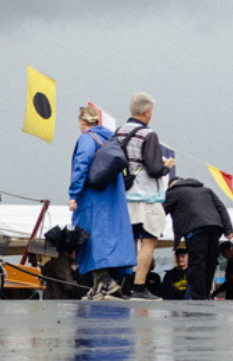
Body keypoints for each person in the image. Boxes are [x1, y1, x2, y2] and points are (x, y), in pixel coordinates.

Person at [70, 103, 136, 298]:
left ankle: (105, 282)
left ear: (82, 122)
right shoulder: (111, 140)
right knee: (110, 240)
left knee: (90, 239)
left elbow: (81, 165)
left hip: (92, 200)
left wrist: (73, 194)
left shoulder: (86, 138)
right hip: (114, 201)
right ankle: (101, 286)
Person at [116, 92, 175, 298]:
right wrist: (166, 167)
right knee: (149, 240)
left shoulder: (118, 133)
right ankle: (139, 287)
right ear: (146, 111)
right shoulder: (149, 134)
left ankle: (124, 285)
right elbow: (153, 168)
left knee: (130, 241)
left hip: (124, 195)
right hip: (146, 197)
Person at [162, 175, 233, 300]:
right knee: (210, 262)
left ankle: (198, 297)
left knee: (197, 263)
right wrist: (229, 229)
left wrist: (149, 228)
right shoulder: (206, 190)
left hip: (196, 229)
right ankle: (205, 294)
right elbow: (221, 208)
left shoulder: (174, 192)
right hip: (215, 228)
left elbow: (161, 211)